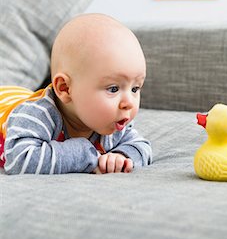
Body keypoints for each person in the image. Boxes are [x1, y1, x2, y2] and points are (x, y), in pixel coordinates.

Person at [0, 13, 152, 174]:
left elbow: (141, 147)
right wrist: (86, 155)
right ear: (65, 88)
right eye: (113, 89)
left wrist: (120, 156)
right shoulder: (36, 116)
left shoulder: (115, 121)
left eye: (135, 88)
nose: (129, 102)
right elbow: (19, 161)